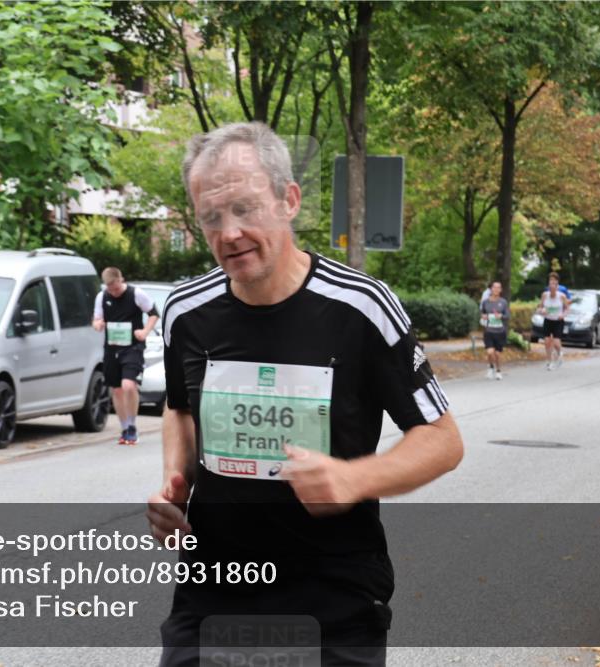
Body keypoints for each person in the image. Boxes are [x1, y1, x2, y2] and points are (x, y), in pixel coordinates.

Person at [147, 122, 463, 666]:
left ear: (288, 200)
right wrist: (176, 482)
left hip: (333, 594)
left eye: (245, 209)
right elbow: (179, 409)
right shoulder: (185, 312)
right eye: (211, 218)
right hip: (213, 590)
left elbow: (441, 438)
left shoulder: (362, 307)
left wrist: (351, 478)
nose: (228, 233)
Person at [92, 267, 159, 445]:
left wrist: (145, 332)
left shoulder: (135, 294)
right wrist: (98, 324)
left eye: (115, 288)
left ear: (121, 280)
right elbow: (96, 320)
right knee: (117, 389)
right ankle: (124, 428)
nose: (113, 292)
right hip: (111, 348)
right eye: (110, 289)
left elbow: (154, 313)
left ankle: (132, 425)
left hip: (133, 347)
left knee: (129, 385)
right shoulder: (102, 297)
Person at [537, 272, 570, 371]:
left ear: (557, 286)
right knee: (547, 342)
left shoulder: (562, 296)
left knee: (556, 342)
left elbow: (567, 308)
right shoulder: (544, 295)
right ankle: (549, 361)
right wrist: (541, 311)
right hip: (548, 320)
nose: (552, 286)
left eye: (554, 284)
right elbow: (539, 307)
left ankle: (560, 353)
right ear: (548, 285)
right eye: (551, 283)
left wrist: (563, 315)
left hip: (558, 321)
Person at [480, 281, 509, 379]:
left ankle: (498, 370)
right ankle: (491, 367)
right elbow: (483, 313)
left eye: (498, 288)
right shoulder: (486, 302)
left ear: (500, 290)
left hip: (500, 331)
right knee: (490, 352)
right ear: (491, 289)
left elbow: (507, 315)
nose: (496, 289)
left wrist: (501, 316)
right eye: (494, 287)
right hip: (489, 331)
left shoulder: (503, 302)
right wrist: (484, 317)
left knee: (497, 354)